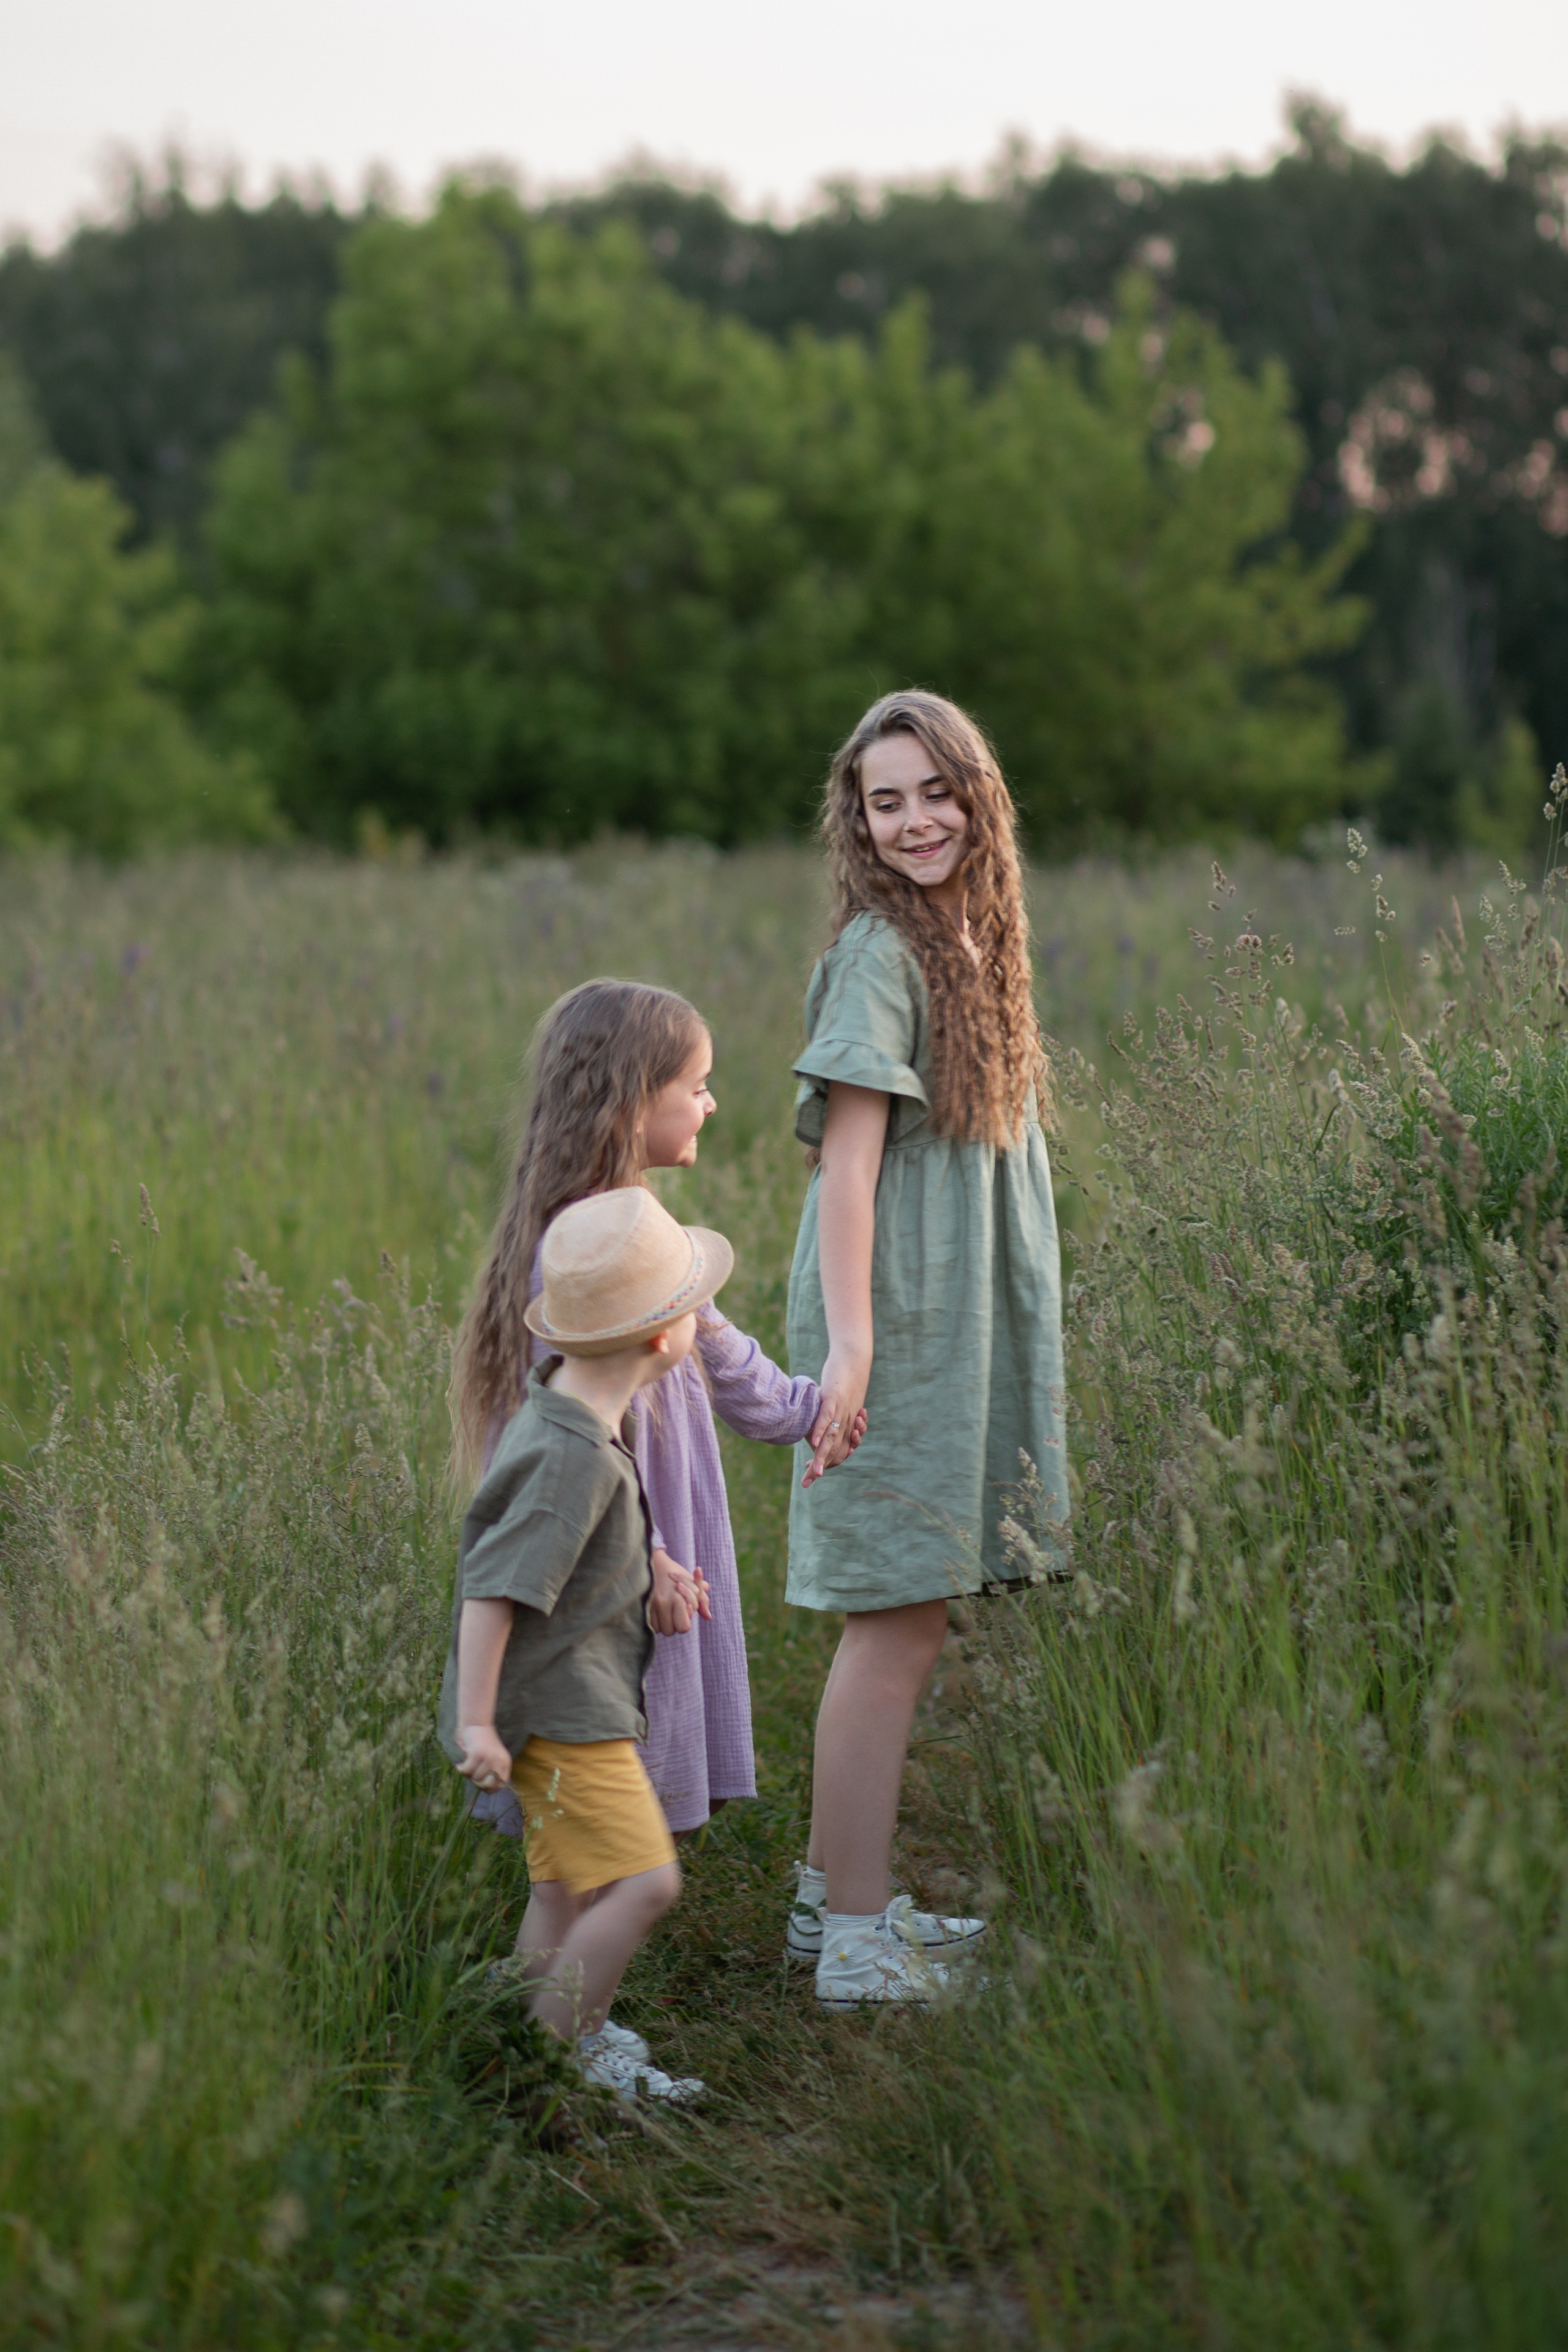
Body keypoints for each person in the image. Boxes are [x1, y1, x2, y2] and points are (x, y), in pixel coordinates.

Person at [784, 688, 1069, 2008]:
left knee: (916, 1610)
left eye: (933, 793)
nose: (913, 821)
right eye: (884, 801)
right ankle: (854, 1946)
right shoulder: (878, 955)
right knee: (892, 1624)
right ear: (858, 821)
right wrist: (851, 1353)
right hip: (888, 1318)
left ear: (977, 797)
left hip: (944, 1316)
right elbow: (847, 1170)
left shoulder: (967, 943)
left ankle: (823, 1897)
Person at [439, 1186, 736, 2104]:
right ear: (661, 1340)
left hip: (567, 1703)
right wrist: (477, 1724)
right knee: (646, 1884)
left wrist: (648, 1580)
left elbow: (568, 1575)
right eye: (694, 1305)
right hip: (568, 1721)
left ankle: (523, 2044)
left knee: (564, 1892)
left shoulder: (573, 1416)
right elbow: (492, 1587)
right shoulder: (569, 1454)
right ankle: (563, 2050)